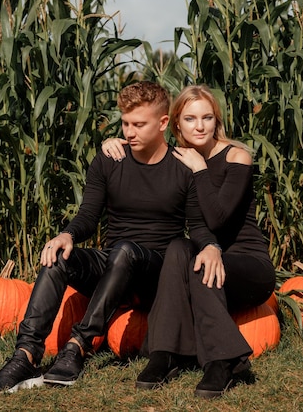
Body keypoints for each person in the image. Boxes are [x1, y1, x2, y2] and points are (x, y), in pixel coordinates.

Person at [0, 81, 200, 395]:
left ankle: (77, 346)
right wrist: (67, 235)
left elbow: (202, 226)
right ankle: (25, 355)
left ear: (163, 123)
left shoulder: (183, 166)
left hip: (156, 276)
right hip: (115, 268)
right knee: (58, 255)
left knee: (123, 251)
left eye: (139, 124)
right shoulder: (110, 160)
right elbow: (88, 214)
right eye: (125, 123)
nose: (129, 132)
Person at [102, 84, 276, 400]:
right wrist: (113, 144)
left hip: (247, 266)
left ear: (216, 121)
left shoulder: (237, 156)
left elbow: (217, 219)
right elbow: (143, 153)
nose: (199, 126)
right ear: (176, 123)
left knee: (194, 256)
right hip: (204, 256)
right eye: (191, 118)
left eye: (207, 117)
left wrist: (200, 170)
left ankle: (223, 360)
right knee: (179, 247)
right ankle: (163, 355)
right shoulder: (178, 157)